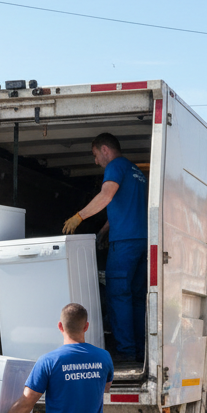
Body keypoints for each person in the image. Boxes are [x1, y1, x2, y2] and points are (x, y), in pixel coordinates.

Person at [62, 133, 148, 362]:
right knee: (136, 299)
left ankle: (126, 351)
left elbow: (106, 196)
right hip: (142, 242)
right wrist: (102, 232)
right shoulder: (135, 171)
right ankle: (140, 350)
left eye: (95, 155)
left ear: (105, 150)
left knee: (118, 295)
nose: (95, 161)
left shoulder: (115, 167)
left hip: (125, 244)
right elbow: (123, 206)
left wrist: (78, 217)